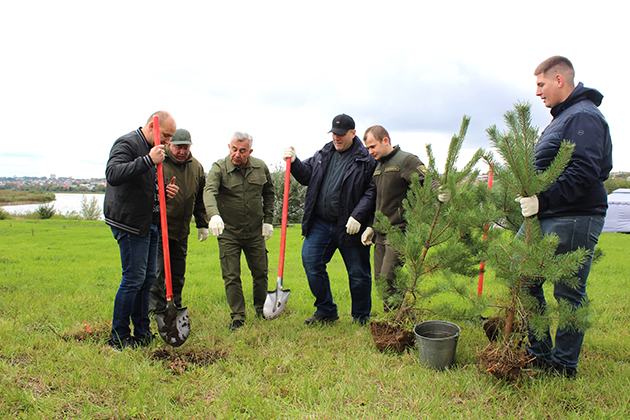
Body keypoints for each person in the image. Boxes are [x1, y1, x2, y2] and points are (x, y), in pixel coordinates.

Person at [516, 56, 612, 377]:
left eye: (541, 84)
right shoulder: (563, 117)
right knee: (523, 277)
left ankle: (562, 365)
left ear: (559, 80)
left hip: (574, 215)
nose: (538, 92)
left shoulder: (583, 115)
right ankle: (539, 351)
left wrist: (542, 201)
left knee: (568, 291)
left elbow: (586, 170)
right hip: (549, 212)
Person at [283, 114, 376, 325]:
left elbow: (372, 191)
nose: (337, 138)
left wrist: (358, 216)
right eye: (334, 133)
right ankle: (325, 310)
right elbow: (306, 176)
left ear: (353, 133)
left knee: (358, 273)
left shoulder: (366, 159)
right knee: (311, 261)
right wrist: (295, 161)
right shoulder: (323, 154)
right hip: (321, 224)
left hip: (351, 225)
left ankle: (361, 317)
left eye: (341, 134)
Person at [104, 111, 178, 350]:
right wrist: (148, 160)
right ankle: (119, 337)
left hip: (149, 223)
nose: (167, 141)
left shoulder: (154, 151)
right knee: (133, 279)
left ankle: (143, 333)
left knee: (147, 279)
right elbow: (113, 174)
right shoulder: (127, 143)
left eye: (170, 137)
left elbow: (144, 186)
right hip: (130, 223)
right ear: (150, 127)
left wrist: (163, 191)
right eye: (165, 135)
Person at [360, 125, 449, 311]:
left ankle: (397, 323)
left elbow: (428, 179)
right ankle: (399, 320)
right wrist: (370, 226)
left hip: (399, 231)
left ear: (385, 140)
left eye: (372, 146)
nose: (370, 152)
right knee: (380, 282)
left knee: (389, 278)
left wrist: (440, 191)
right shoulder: (379, 166)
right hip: (381, 233)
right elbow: (378, 201)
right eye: (367, 148)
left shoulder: (406, 160)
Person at [204, 131, 275, 330]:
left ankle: (261, 310)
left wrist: (268, 221)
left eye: (242, 151)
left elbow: (269, 193)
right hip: (229, 233)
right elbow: (209, 191)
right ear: (229, 147)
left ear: (250, 151)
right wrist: (213, 215)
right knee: (231, 275)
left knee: (260, 273)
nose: (237, 154)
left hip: (254, 232)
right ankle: (238, 317)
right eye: (234, 149)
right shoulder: (219, 168)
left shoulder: (260, 167)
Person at [149, 128, 209, 315]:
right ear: (169, 145)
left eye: (186, 147)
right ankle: (156, 310)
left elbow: (199, 199)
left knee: (177, 273)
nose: (182, 151)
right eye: (178, 147)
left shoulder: (196, 167)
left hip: (182, 230)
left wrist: (202, 224)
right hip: (159, 228)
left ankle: (176, 306)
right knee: (157, 273)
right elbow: (146, 193)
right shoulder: (159, 162)